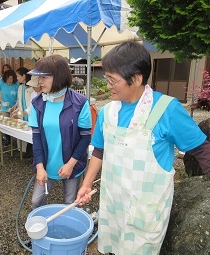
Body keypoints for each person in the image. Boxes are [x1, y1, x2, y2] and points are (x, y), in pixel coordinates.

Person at [75, 41, 210, 255]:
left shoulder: (167, 109)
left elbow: (201, 149)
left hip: (147, 208)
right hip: (114, 203)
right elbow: (100, 150)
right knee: (114, 247)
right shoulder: (107, 112)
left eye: (112, 80)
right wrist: (86, 184)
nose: (108, 85)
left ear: (136, 79)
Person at [28, 54, 92, 209]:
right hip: (46, 165)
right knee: (36, 201)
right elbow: (36, 139)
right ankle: (44, 228)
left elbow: (85, 138)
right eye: (39, 77)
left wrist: (70, 164)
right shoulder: (37, 104)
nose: (40, 81)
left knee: (70, 203)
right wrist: (40, 167)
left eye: (44, 77)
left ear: (58, 77)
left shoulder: (80, 103)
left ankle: (68, 231)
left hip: (72, 165)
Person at [0, 69, 19, 146]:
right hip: (4, 108)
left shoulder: (17, 84)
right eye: (8, 78)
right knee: (6, 124)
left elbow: (19, 97)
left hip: (14, 108)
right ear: (5, 78)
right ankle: (8, 139)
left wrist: (16, 105)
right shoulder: (2, 83)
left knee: (14, 124)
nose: (10, 80)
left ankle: (17, 140)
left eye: (11, 78)